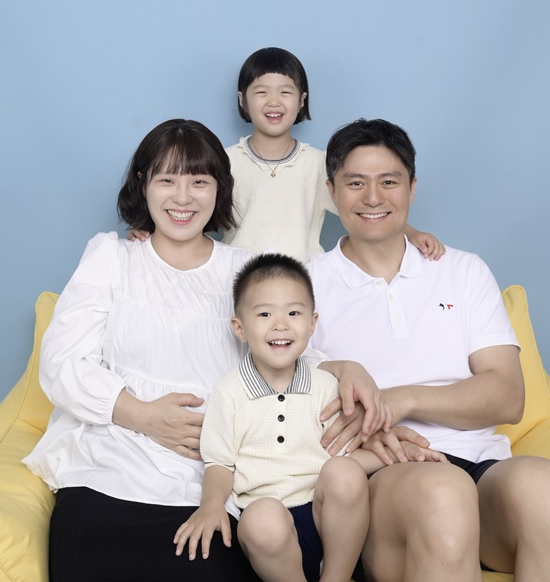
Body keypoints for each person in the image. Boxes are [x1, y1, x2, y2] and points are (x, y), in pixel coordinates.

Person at [22, 118, 388, 582]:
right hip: (108, 467)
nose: (183, 197)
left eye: (199, 181)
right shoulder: (112, 258)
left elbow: (286, 353)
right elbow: (61, 363)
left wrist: (346, 370)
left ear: (219, 189)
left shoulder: (244, 270)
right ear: (143, 184)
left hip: (211, 481)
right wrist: (142, 415)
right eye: (166, 180)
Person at [309, 117, 550, 582]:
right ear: (332, 191)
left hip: (481, 465)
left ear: (412, 188)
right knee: (443, 491)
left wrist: (403, 399)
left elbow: (508, 397)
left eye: (389, 182)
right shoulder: (305, 285)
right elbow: (287, 395)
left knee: (543, 488)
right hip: (385, 474)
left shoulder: (463, 270)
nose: (373, 198)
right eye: (356, 183)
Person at [173, 253, 446, 582]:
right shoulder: (229, 393)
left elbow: (348, 453)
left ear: (312, 323)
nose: (281, 324)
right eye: (264, 314)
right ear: (240, 328)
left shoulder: (325, 386)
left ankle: (336, 577)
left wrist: (404, 454)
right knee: (261, 518)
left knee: (344, 472)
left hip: (328, 520)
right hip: (271, 529)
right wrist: (211, 505)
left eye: (293, 313)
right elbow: (219, 463)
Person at [222, 47, 445, 264]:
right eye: (261, 92)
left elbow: (368, 209)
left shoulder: (319, 164)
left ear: (301, 101)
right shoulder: (225, 161)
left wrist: (412, 234)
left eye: (285, 92)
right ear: (242, 100)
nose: (274, 101)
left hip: (302, 279)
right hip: (235, 278)